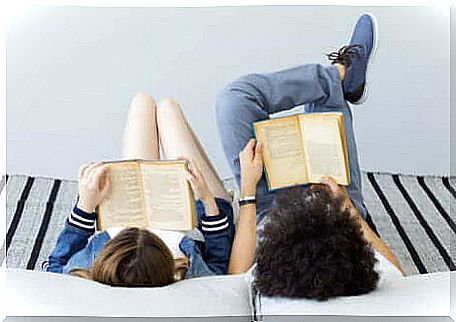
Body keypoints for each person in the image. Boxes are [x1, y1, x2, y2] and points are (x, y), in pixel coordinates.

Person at [215, 14, 405, 300]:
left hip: (268, 209)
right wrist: (345, 207)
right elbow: (397, 274)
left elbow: (235, 277)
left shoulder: (270, 280)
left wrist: (248, 192)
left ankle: (336, 77)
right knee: (326, 107)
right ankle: (340, 78)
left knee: (234, 99)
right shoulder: (351, 278)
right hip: (334, 206)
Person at [43, 95, 263, 286]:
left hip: (134, 215)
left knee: (142, 103)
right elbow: (219, 263)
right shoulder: (189, 273)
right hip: (199, 215)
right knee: (168, 109)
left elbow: (56, 265)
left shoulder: (84, 272)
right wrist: (206, 200)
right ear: (169, 266)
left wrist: (86, 205)